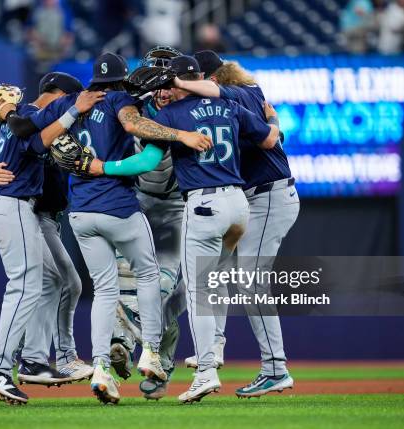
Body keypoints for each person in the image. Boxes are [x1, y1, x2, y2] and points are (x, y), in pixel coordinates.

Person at [6, 52, 212, 404]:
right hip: (123, 206)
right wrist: (182, 135)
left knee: (108, 290)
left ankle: (101, 365)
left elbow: (29, 134)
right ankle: (148, 352)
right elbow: (138, 136)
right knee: (151, 279)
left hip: (83, 213)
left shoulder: (70, 104)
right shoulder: (126, 102)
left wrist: (6, 117)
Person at [86, 55, 281, 403]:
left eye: (166, 79)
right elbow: (269, 140)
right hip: (234, 202)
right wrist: (272, 118)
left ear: (177, 82)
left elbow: (145, 157)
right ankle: (189, 348)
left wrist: (105, 166)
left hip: (192, 205)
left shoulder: (168, 114)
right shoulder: (228, 104)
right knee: (189, 285)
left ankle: (190, 364)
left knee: (180, 290)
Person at [173, 50, 299, 397]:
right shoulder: (226, 104)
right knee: (218, 274)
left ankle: (276, 368)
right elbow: (273, 136)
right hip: (248, 200)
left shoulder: (243, 92)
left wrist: (181, 82)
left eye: (200, 79)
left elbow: (271, 137)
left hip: (269, 196)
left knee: (251, 283)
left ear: (211, 78)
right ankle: (212, 347)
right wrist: (274, 125)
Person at [0, 75, 102, 405]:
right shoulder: (29, 114)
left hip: (10, 207)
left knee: (53, 280)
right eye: (68, 98)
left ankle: (31, 359)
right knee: (27, 284)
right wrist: (74, 110)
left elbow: (31, 141)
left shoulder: (24, 118)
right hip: (13, 206)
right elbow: (28, 133)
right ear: (59, 95)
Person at [109, 45, 186, 401]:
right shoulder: (127, 107)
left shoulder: (196, 107)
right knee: (126, 281)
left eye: (168, 80)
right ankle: (122, 343)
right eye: (156, 81)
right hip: (136, 203)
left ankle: (162, 360)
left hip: (178, 209)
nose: (163, 89)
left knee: (165, 289)